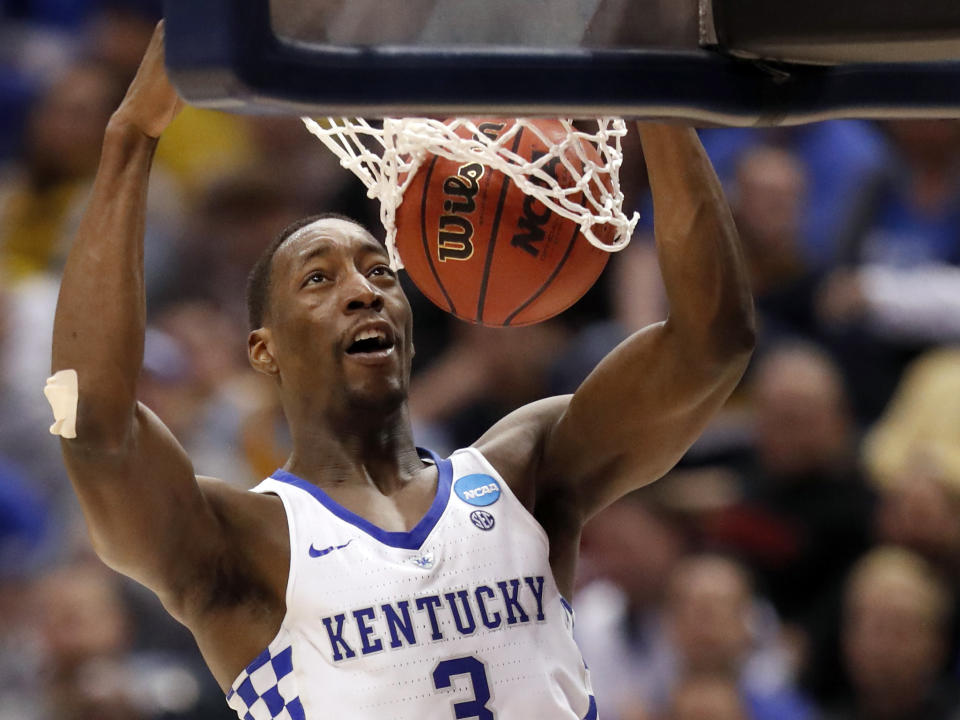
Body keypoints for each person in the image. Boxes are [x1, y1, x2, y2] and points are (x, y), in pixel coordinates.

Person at [49, 22, 754, 720]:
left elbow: (711, 344)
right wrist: (130, 139)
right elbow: (90, 423)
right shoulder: (245, 544)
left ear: (410, 330)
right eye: (319, 279)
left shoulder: (523, 476)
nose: (363, 290)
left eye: (380, 271)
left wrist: (660, 96)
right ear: (263, 350)